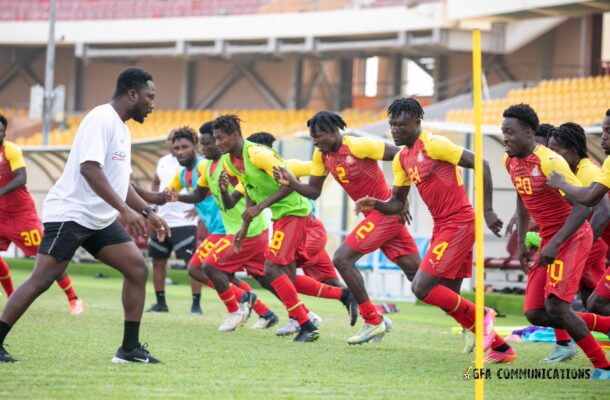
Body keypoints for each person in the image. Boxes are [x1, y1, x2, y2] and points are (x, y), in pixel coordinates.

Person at [0, 67, 170, 364]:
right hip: (71, 214)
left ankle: (129, 350)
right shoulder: (100, 119)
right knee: (42, 280)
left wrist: (147, 211)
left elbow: (121, 182)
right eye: (149, 96)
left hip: (98, 220)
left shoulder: (123, 129)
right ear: (132, 94)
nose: (152, 103)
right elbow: (89, 168)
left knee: (136, 269)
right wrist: (124, 211)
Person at [353, 98, 512, 363]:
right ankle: (502, 349)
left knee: (422, 287)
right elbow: (396, 204)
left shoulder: (435, 145)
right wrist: (375, 203)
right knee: (447, 298)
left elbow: (481, 164)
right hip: (443, 226)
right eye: (391, 124)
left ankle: (484, 316)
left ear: (417, 122)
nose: (394, 130)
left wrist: (488, 210)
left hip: (459, 222)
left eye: (400, 125)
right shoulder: (402, 159)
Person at [273, 111, 418, 344]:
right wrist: (291, 182)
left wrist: (399, 198)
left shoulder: (358, 145)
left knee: (342, 259)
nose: (315, 142)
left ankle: (373, 320)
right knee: (420, 279)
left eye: (318, 137)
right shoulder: (322, 156)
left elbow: (403, 156)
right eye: (312, 138)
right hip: (376, 217)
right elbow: (314, 192)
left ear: (333, 131)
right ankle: (475, 317)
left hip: (385, 214)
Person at [503, 104, 610, 380]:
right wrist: (523, 241)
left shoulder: (550, 162)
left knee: (559, 306)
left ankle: (602, 366)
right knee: (535, 312)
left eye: (509, 132)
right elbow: (521, 195)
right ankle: (601, 326)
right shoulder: (510, 161)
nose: (505, 138)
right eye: (503, 132)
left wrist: (555, 243)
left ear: (528, 133)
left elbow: (585, 207)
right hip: (550, 237)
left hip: (572, 235)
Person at [215, 115, 320, 342]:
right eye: (215, 139)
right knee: (284, 271)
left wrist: (260, 207)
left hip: (295, 210)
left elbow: (291, 185)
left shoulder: (258, 154)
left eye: (220, 138)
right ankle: (303, 320)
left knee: (271, 269)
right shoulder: (230, 162)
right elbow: (249, 193)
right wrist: (243, 226)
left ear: (235, 134)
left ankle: (306, 322)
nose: (217, 144)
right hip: (280, 216)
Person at [0, 115, 84, 315]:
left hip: (21, 215)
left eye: (1, 130)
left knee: (47, 258)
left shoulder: (10, 150)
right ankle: (12, 298)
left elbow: (21, 178)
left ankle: (73, 297)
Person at [544, 122, 610, 362]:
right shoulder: (579, 171)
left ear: (571, 150)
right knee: (592, 300)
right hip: (598, 243)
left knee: (594, 303)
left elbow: (602, 211)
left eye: (556, 151)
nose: (552, 156)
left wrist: (581, 247)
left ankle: (566, 343)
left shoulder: (588, 171)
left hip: (591, 243)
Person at [135, 129, 201, 315]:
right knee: (157, 262)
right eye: (172, 142)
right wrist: (152, 205)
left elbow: (205, 188)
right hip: (162, 220)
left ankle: (196, 305)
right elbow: (156, 182)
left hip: (185, 221)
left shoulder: (196, 163)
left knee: (192, 265)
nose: (176, 147)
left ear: (192, 145)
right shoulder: (162, 162)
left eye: (181, 145)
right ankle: (160, 303)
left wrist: (198, 208)